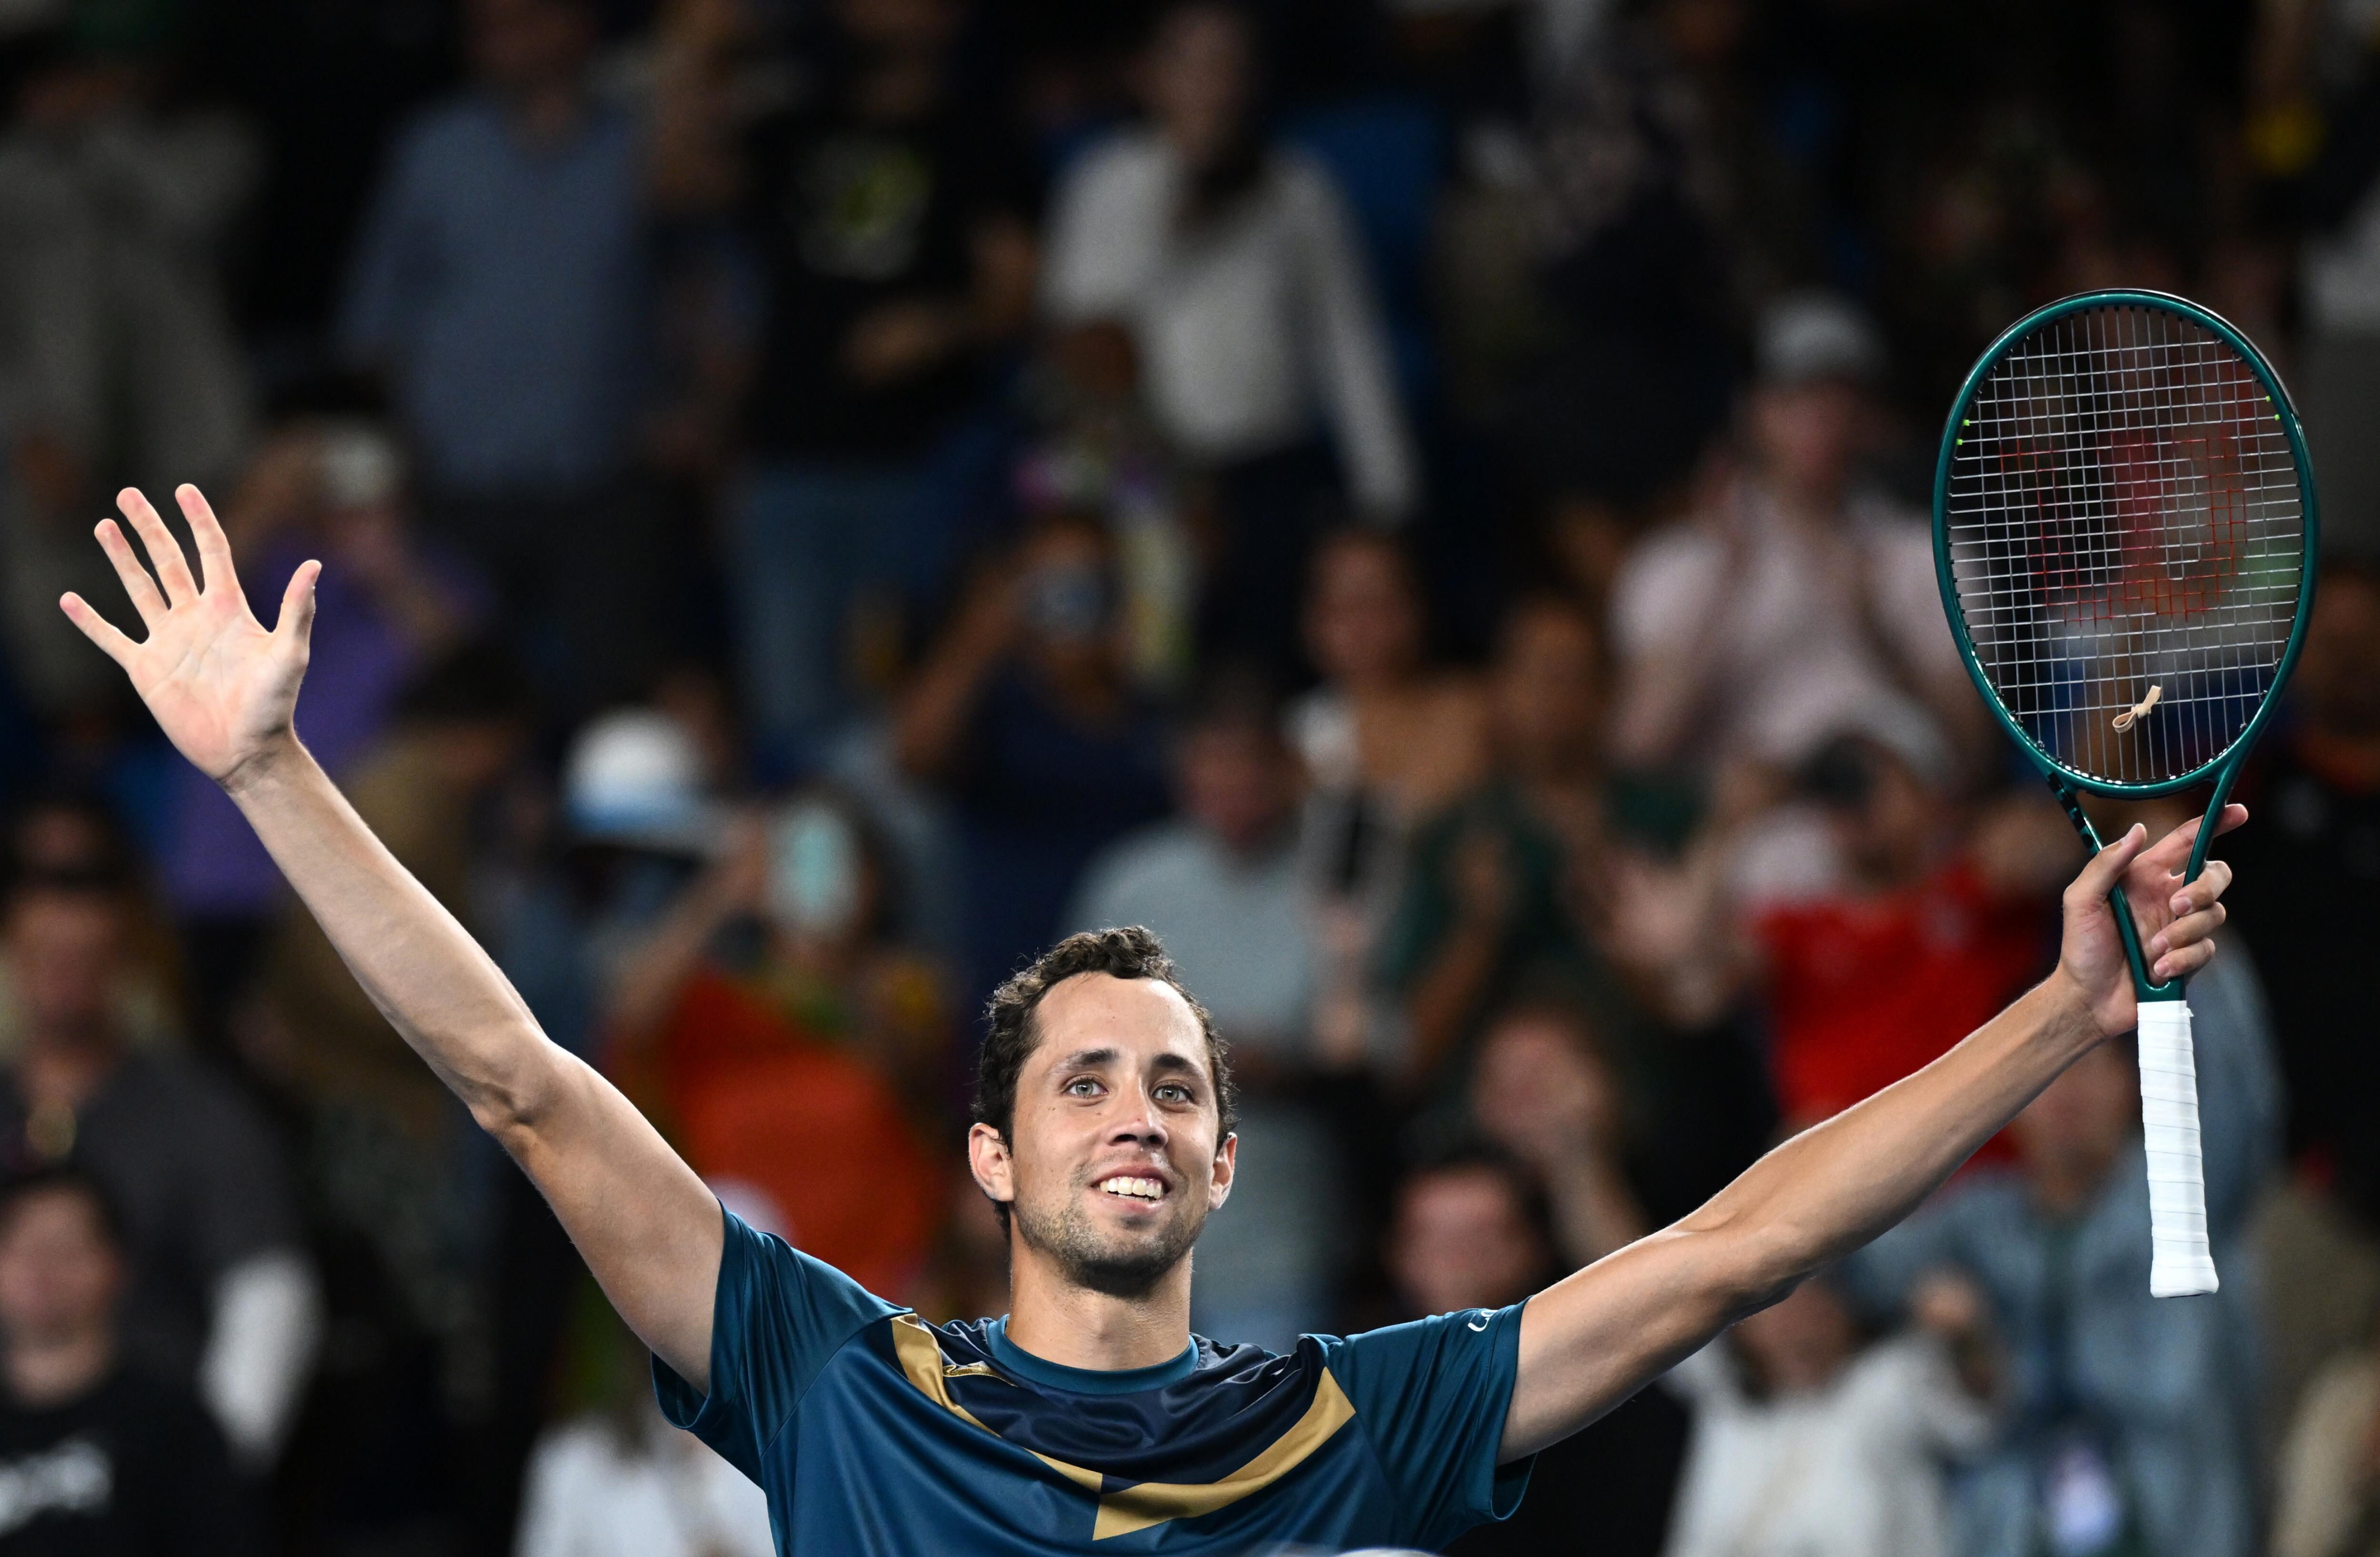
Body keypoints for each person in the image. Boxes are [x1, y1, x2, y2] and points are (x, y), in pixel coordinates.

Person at [56, 480, 2243, 1553]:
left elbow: (1731, 1249)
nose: (1133, 1104)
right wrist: (274, 775)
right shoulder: (833, 1380)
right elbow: (524, 1084)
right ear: (991, 1155)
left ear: (1218, 1159)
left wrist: (2061, 1011)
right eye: (1083, 1074)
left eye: (1174, 1081)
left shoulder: (1352, 1417)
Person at [653, 0, 1038, 771]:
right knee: (789, 707)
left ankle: (881, 849)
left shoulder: (980, 135)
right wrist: (692, 51)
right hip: (788, 461)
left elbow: (1018, 294)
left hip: (917, 466)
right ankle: (807, 851)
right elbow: (677, 182)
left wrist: (938, 324)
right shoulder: (799, 127)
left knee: (891, 699)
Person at [1846, 943, 2281, 1557]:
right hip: (2017, 1529)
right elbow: (1853, 1260)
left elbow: (2243, 1105)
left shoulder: (2186, 1189)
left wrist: (2188, 949)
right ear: (2004, 1099)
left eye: (2090, 1063)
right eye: (2044, 1071)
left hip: (2179, 1524)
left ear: (2131, 1083)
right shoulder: (1974, 1224)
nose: (2066, 1091)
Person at [1041, 0, 1419, 671]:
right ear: (1148, 75)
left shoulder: (1296, 189)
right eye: (1190, 64)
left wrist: (1386, 496)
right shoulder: (1107, 185)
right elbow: (1083, 344)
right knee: (1157, 666)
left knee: (1262, 663)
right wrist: (1177, 226)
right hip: (1143, 475)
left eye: (1227, 65)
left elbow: (1348, 347)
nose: (1210, 85)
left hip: (1268, 470)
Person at [340, 0, 666, 713]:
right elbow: (376, 323)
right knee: (462, 699)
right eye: (486, 27)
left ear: (579, 25)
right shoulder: (434, 150)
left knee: (614, 693)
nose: (502, 43)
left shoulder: (643, 148)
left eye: (524, 21)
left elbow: (700, 292)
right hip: (459, 479)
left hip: (601, 476)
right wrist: (397, 459)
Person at [0, 869, 316, 1472]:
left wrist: (213, 1468)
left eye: (85, 958)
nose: (63, 977)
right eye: (44, 955)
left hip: (148, 1456)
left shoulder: (200, 1113)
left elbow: (270, 1292)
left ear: (123, 962)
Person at [1065, 679, 1342, 1347]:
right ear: (1183, 770)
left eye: (1251, 760)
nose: (1234, 779)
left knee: (1263, 1414)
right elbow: (1066, 1038)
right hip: (1127, 1233)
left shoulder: (1336, 876)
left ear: (1290, 768)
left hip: (1279, 1228)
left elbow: (1379, 1046)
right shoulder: (1130, 881)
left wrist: (1293, 1066)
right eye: (1213, 760)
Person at [1606, 294, 1980, 780]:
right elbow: (1636, 750)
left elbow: (1970, 757)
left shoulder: (1928, 555)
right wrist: (1725, 583)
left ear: (1873, 417)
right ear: (1753, 411)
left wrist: (1872, 623)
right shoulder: (1676, 562)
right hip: (1750, 812)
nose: (1822, 419)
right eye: (1798, 398)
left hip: (1897, 803)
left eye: (1842, 399)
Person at [893, 512, 1171, 1011]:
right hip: (1014, 994)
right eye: (1048, 586)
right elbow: (912, 757)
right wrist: (979, 635)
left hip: (1130, 996)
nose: (1067, 608)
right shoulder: (994, 712)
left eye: (1086, 586)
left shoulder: (1154, 718)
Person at [2224, 557, 2380, 1223]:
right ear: (2293, 654)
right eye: (2331, 641)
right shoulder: (2247, 795)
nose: (2351, 660)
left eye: (2366, 637)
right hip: (2293, 1179)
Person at [0, 1167, 258, 1555]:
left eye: (66, 1248)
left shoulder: (175, 1430)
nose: (41, 1270)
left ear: (116, 1266)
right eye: (21, 1247)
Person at [1658, 1271, 1998, 1557]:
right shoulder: (1726, 1396)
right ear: (1743, 1333)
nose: (1799, 1328)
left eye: (1814, 1310)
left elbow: (1977, 1413)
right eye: (1778, 1315)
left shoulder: (1890, 1378)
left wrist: (1964, 1336)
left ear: (1846, 1311)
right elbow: (1651, 1295)